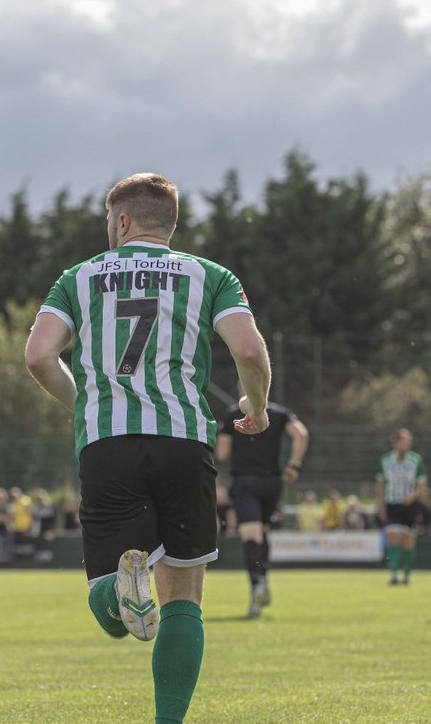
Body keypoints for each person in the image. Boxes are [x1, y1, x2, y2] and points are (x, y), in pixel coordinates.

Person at [25, 172, 270, 724]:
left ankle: (118, 594)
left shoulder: (79, 276)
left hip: (107, 440)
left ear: (122, 220)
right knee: (183, 596)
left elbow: (39, 356)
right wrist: (257, 406)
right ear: (171, 224)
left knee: (112, 607)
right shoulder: (210, 275)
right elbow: (249, 352)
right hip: (185, 440)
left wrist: (83, 400)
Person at [215, 391, 308, 618]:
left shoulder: (232, 416)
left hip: (245, 482)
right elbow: (302, 435)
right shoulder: (278, 413)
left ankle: (257, 584)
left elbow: (223, 453)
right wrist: (294, 466)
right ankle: (263, 578)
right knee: (263, 532)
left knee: (250, 535)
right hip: (272, 484)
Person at [376, 428, 430, 586]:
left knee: (408, 542)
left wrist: (413, 496)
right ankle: (393, 574)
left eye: (408, 442)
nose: (407, 445)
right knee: (393, 538)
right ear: (395, 443)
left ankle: (406, 575)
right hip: (392, 503)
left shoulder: (416, 460)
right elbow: (380, 484)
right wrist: (381, 505)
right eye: (403, 442)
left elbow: (422, 484)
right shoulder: (385, 460)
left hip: (410, 505)